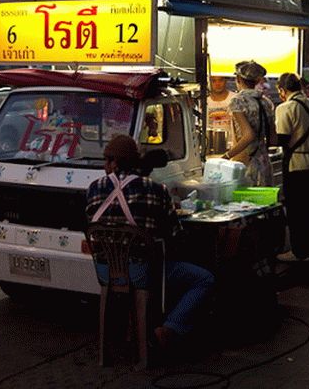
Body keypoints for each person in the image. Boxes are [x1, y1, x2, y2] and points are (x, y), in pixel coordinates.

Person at [86, 135, 214, 349]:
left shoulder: (93, 189)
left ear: (115, 163)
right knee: (203, 279)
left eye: (106, 159)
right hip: (142, 274)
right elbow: (174, 234)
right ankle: (170, 328)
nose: (104, 165)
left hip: (105, 273)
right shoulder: (156, 190)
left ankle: (132, 330)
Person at [274, 73, 309, 262]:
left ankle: (298, 252)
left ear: (282, 90)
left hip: (298, 165)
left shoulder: (286, 107)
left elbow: (282, 138)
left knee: (296, 211)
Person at [223, 61, 275, 186]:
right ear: (257, 81)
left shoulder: (237, 101)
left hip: (246, 164)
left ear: (238, 79)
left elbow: (248, 135)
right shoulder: (266, 102)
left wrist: (226, 156)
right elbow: (273, 139)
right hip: (265, 164)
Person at [206, 75, 236, 148]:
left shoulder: (235, 98)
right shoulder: (203, 100)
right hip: (210, 145)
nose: (217, 84)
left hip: (232, 145)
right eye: (214, 81)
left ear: (225, 81)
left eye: (220, 80)